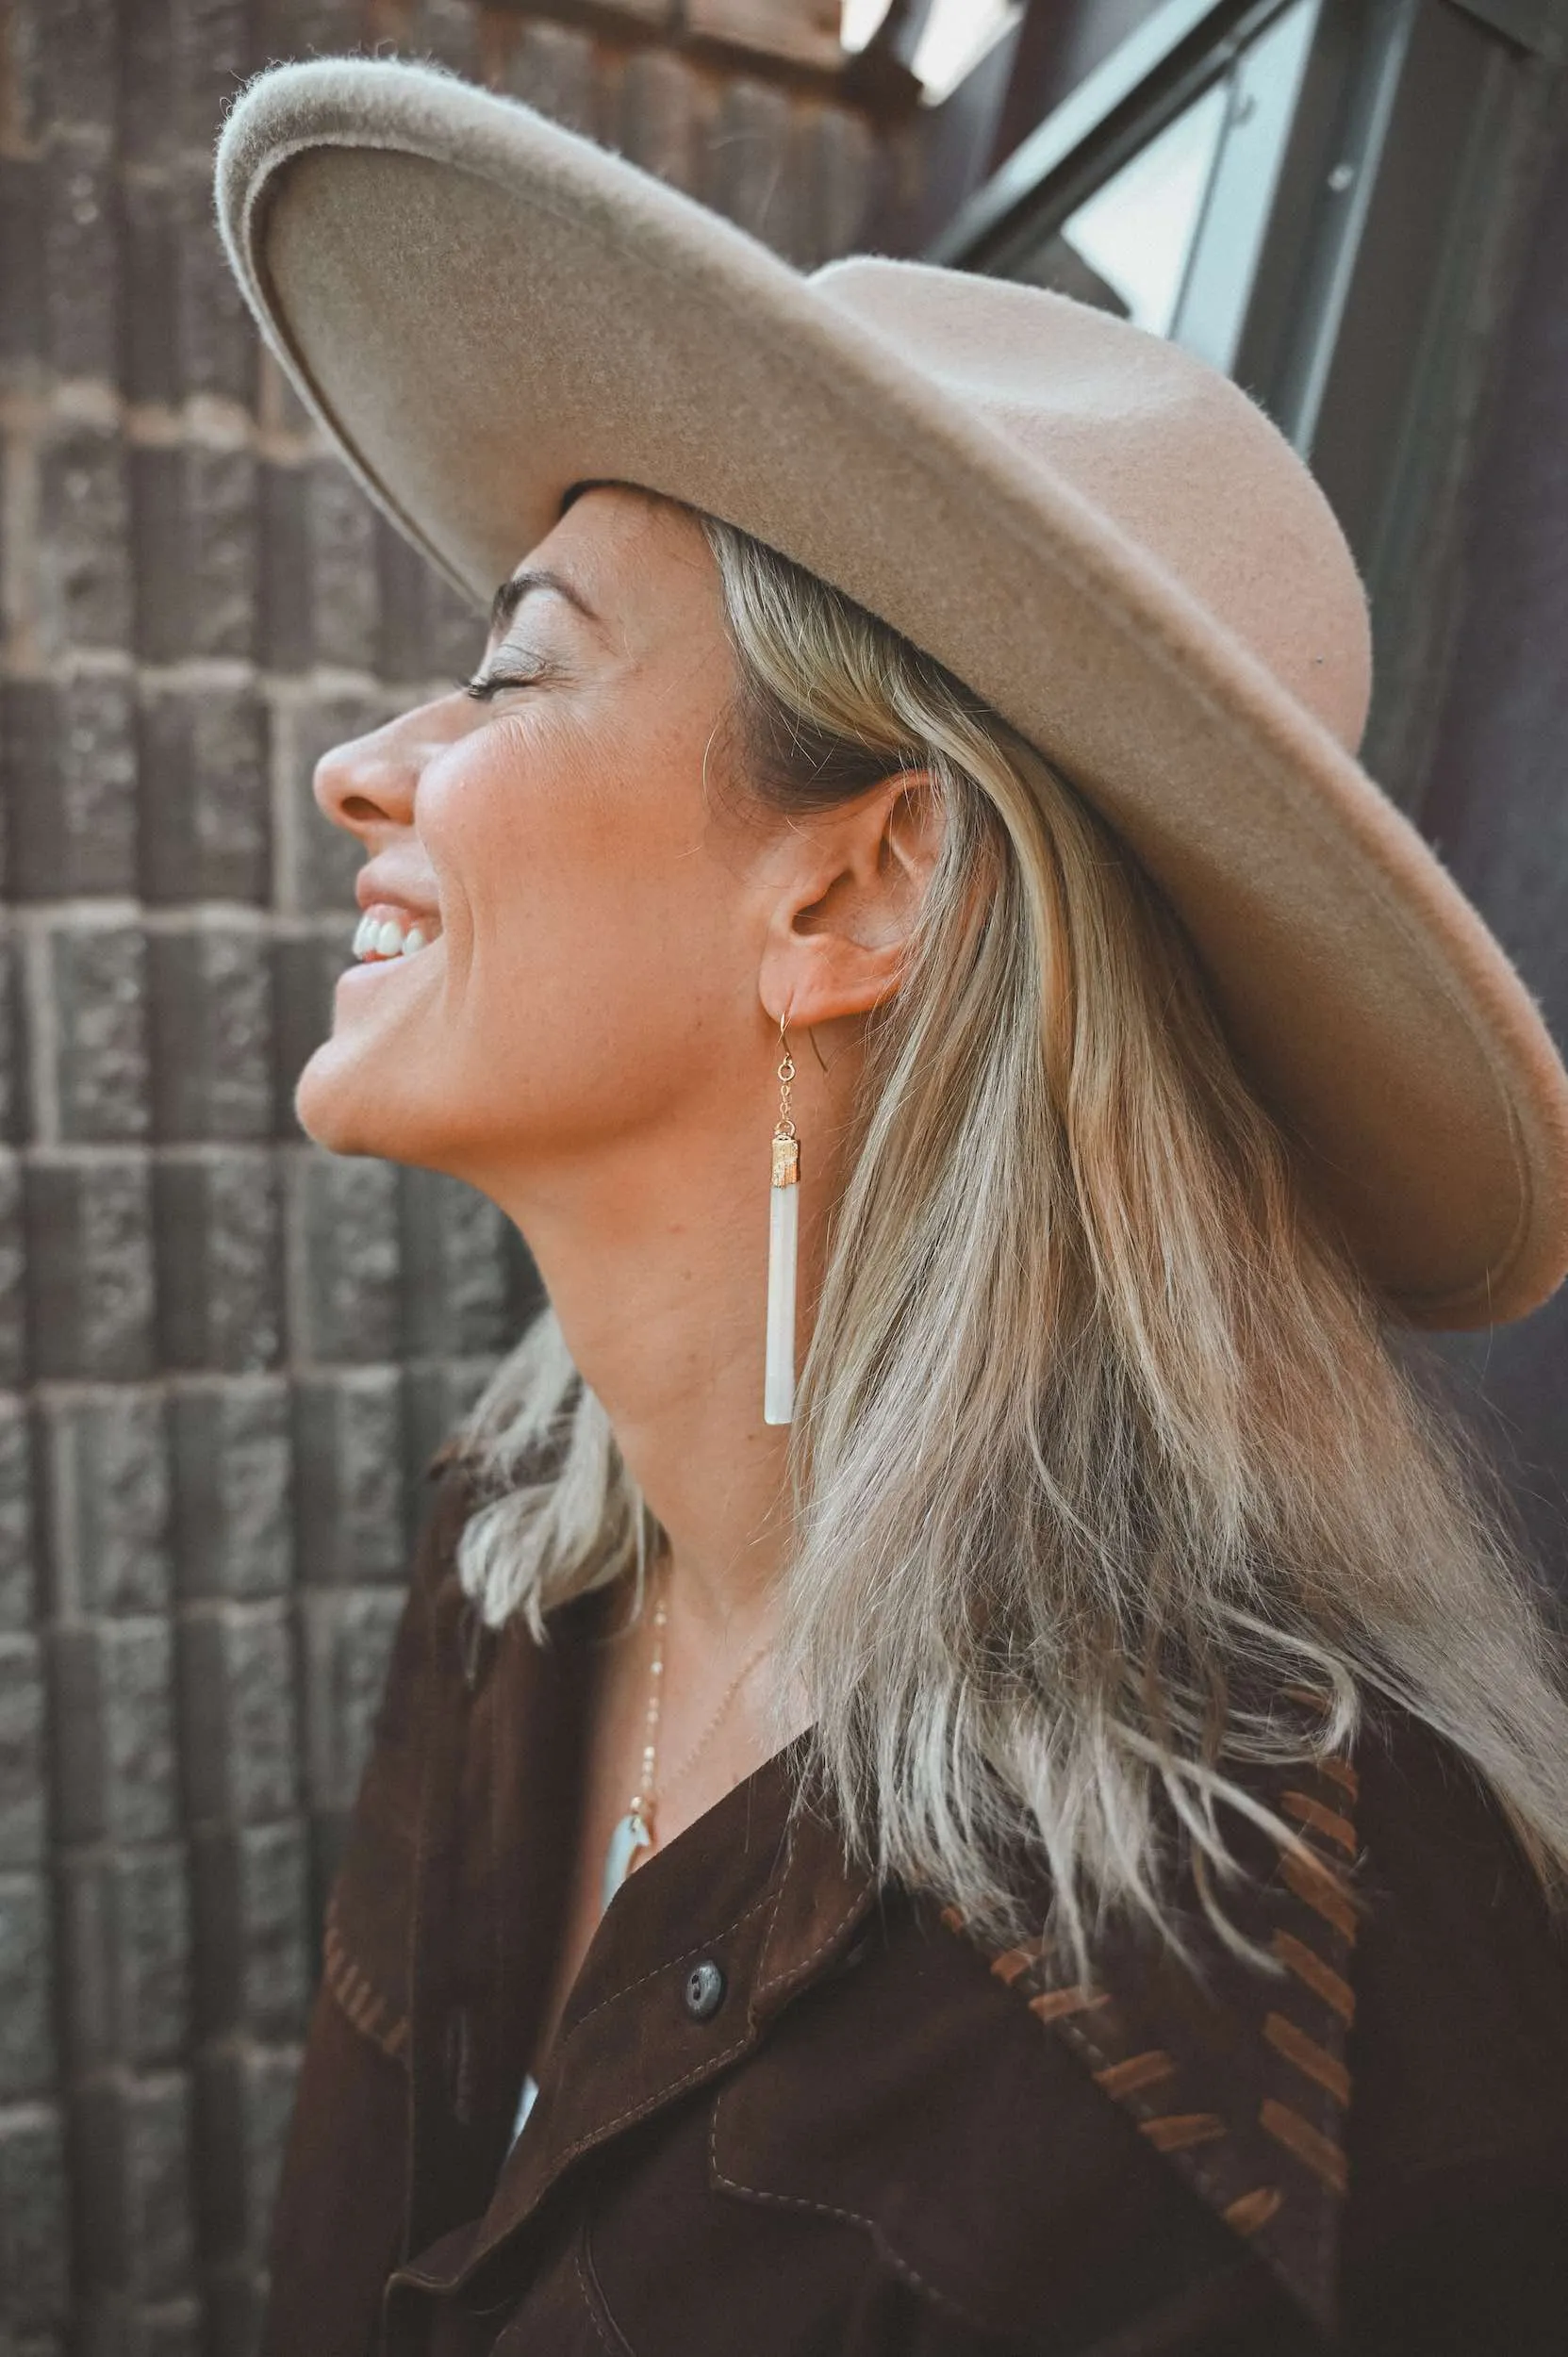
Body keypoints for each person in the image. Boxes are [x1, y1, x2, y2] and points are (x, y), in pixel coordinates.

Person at [215, 56, 1568, 2357]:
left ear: (864, 879)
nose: (369, 764)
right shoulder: (520, 1566)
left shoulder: (1299, 1980)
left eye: (512, 666)